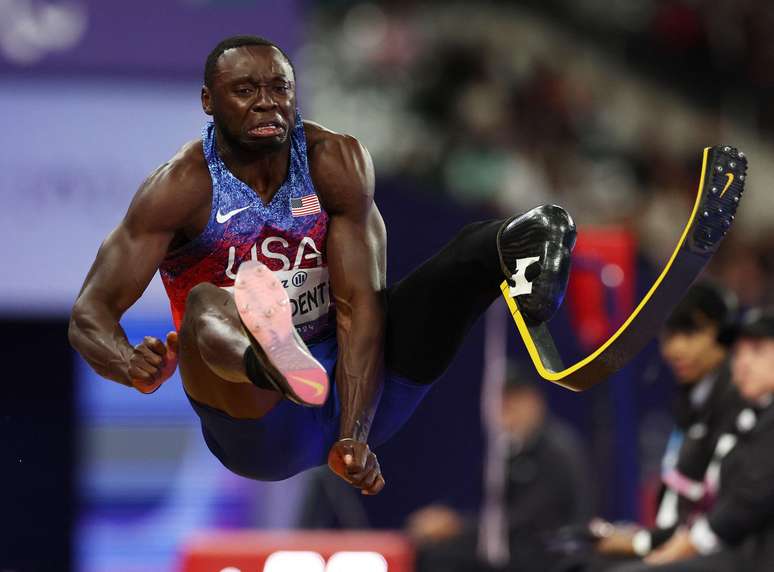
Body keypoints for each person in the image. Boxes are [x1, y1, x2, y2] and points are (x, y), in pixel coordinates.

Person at [68, 35, 576, 494]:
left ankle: (536, 239)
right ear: (209, 102)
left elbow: (360, 307)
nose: (267, 102)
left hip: (357, 392)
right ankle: (269, 359)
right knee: (208, 301)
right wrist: (128, 361)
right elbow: (90, 315)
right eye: (245, 90)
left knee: (468, 251)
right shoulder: (180, 188)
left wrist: (353, 435)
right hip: (257, 425)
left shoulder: (334, 161)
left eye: (279, 88)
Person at [582, 281, 743, 570]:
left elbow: (719, 511)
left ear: (725, 333)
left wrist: (640, 543)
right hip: (679, 544)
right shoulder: (692, 399)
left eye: (690, 332)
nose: (674, 348)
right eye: (668, 336)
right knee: (578, 560)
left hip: (722, 553)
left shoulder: (737, 402)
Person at [605, 307, 774, 571]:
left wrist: (686, 545)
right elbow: (711, 504)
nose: (743, 362)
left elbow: (750, 501)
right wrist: (646, 541)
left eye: (757, 351)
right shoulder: (743, 418)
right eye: (738, 352)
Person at [406, 366, 592, 572]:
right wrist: (446, 519)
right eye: (502, 402)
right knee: (434, 551)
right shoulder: (508, 449)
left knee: (444, 558)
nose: (506, 410)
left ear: (535, 401)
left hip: (550, 551)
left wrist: (456, 527)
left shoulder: (557, 450)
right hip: (516, 545)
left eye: (514, 401)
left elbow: (528, 519)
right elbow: (483, 500)